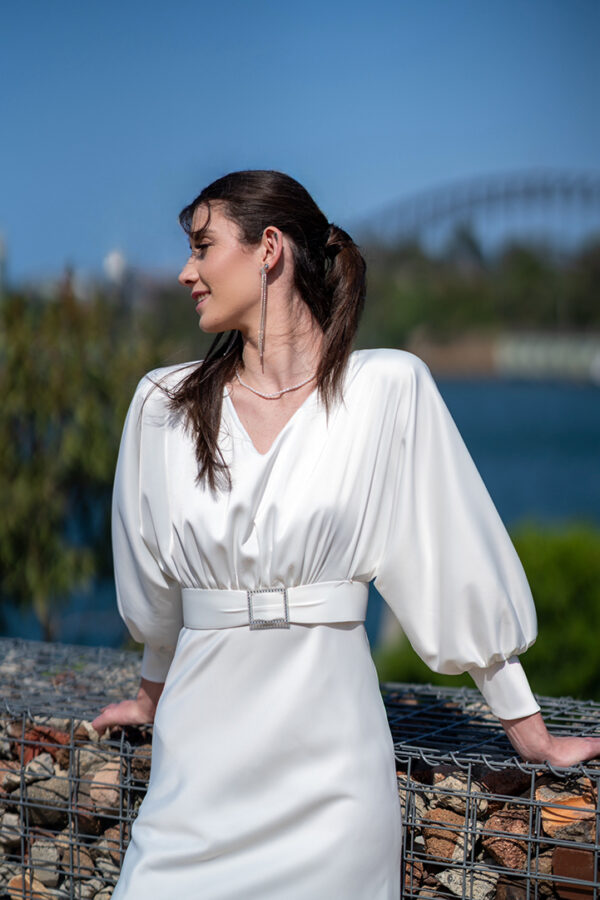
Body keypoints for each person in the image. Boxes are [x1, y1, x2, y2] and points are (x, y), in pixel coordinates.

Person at [92, 170, 600, 899]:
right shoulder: (162, 406)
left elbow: (451, 559)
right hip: (193, 786)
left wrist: (530, 731)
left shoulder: (387, 391)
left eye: (203, 247)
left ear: (269, 250)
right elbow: (157, 600)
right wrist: (147, 697)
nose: (185, 271)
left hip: (333, 795)